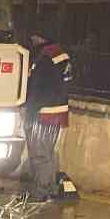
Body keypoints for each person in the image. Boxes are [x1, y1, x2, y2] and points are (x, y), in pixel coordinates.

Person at [25, 29, 72, 201]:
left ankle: (40, 192)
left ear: (40, 36)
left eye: (33, 35)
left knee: (39, 154)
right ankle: (50, 189)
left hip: (43, 113)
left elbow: (38, 87)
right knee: (48, 153)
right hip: (58, 111)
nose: (31, 39)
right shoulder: (61, 54)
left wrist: (29, 110)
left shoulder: (45, 56)